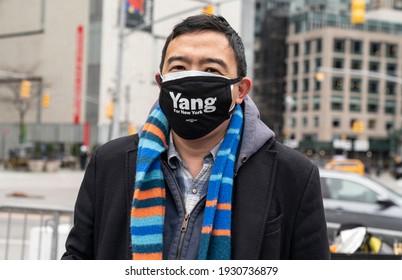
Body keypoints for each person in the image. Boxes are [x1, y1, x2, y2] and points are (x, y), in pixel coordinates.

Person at [62, 14, 329, 260]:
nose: (193, 78)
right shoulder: (109, 163)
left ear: (241, 90)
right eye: (178, 66)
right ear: (161, 83)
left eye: (212, 70)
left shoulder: (293, 175)